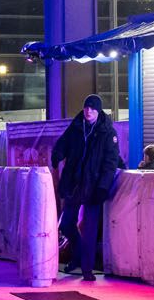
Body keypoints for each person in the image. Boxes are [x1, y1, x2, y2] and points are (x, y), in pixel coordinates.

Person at [51, 94, 121, 282]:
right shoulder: (76, 127)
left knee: (90, 230)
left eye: (92, 108)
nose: (88, 111)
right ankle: (79, 254)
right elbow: (62, 143)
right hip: (74, 184)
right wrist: (57, 154)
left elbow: (110, 162)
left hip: (94, 186)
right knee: (66, 224)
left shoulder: (108, 133)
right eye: (86, 107)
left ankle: (87, 269)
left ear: (98, 111)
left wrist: (103, 187)